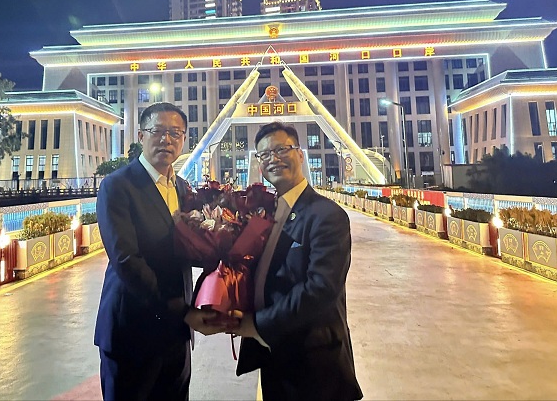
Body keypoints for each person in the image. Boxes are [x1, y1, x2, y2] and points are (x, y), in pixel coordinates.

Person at [94, 102, 223, 400]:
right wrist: (182, 310)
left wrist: (221, 255)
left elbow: (188, 249)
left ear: (184, 139)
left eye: (175, 133)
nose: (167, 139)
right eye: (158, 131)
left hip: (176, 334)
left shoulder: (183, 188)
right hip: (132, 332)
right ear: (141, 135)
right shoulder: (117, 186)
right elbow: (126, 259)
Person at [234, 121, 363, 401]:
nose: (273, 159)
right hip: (275, 357)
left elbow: (320, 289)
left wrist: (257, 324)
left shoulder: (326, 215)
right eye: (265, 154)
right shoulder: (265, 214)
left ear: (300, 154)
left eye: (282, 149)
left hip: (314, 365)